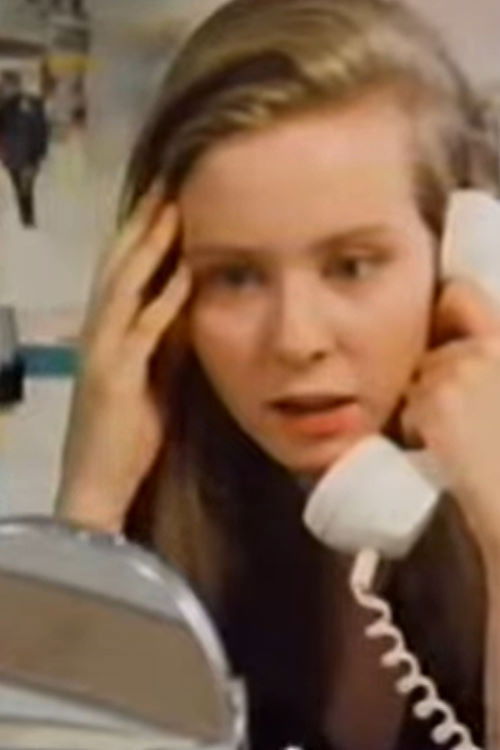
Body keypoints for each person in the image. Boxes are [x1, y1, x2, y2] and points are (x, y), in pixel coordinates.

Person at [56, 0, 500, 747]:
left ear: (462, 257)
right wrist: (88, 514)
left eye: (352, 266)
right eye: (235, 277)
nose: (296, 341)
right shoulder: (167, 533)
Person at [0, 71, 49, 228]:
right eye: (5, 85)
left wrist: (41, 151)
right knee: (20, 187)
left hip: (29, 154)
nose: (7, 88)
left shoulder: (32, 103)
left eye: (9, 84)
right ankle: (26, 217)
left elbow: (42, 128)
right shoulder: (4, 107)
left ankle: (28, 218)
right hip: (12, 155)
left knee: (26, 186)